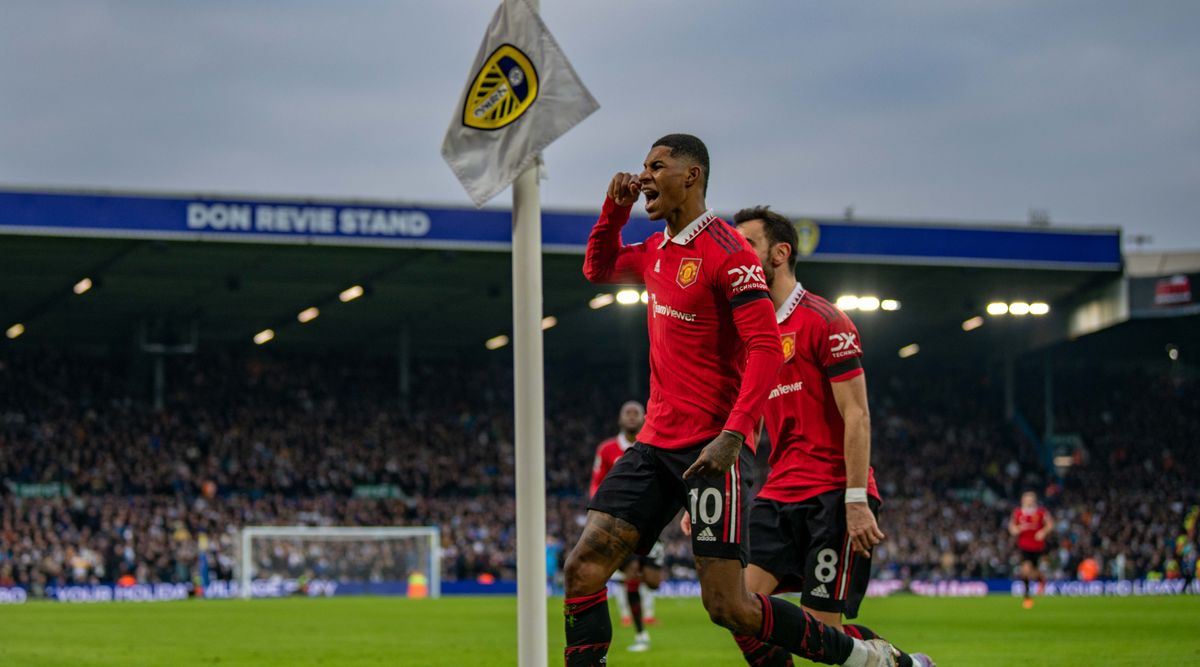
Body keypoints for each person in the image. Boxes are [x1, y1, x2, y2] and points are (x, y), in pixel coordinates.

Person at [563, 133, 897, 667]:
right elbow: (597, 268)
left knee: (730, 607)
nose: (644, 175)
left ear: (690, 176)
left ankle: (871, 660)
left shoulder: (728, 252)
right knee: (582, 567)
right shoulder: (655, 251)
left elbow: (765, 346)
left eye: (657, 166)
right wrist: (614, 209)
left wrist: (734, 434)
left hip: (710, 448)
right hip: (654, 445)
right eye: (643, 167)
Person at [690, 206, 935, 667]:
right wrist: (717, 486)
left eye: (746, 245)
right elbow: (750, 423)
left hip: (830, 497)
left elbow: (857, 414)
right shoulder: (750, 337)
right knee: (735, 609)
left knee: (823, 632)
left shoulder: (826, 320)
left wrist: (857, 499)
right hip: (778, 494)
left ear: (780, 253)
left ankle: (905, 664)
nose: (735, 255)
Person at [588, 400, 664, 652]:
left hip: (652, 522)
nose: (631, 418)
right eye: (627, 413)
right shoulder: (608, 449)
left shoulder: (655, 444)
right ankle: (641, 635)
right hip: (620, 522)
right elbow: (596, 483)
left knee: (653, 581)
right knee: (631, 574)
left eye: (636, 413)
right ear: (620, 419)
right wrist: (599, 514)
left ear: (645, 418)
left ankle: (639, 592)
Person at [1009, 490, 1053, 608]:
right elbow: (1012, 527)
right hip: (1024, 546)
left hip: (1038, 546)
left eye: (1031, 500)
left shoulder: (1041, 512)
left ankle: (1041, 579)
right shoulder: (1018, 513)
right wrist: (1016, 529)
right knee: (1025, 570)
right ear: (1023, 501)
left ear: (1034, 501)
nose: (1029, 502)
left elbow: (1050, 524)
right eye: (1026, 500)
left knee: (1033, 572)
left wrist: (1043, 532)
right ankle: (1027, 597)